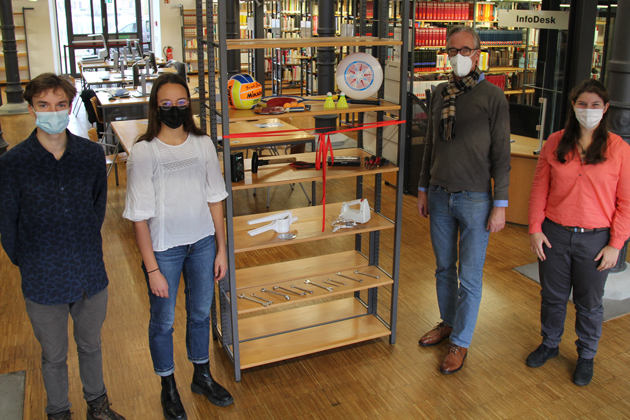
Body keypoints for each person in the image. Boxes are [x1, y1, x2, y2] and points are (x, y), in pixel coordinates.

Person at [0, 73, 125, 420]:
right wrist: (28, 260)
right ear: (31, 109)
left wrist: (80, 242)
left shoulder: (88, 155)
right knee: (53, 356)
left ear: (69, 107)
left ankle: (98, 407)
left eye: (59, 105)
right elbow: (6, 223)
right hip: (43, 278)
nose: (52, 112)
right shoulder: (13, 164)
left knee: (91, 346)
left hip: (88, 272)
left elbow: (96, 208)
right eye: (43, 105)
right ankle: (58, 413)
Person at [123, 73, 234, 420]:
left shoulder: (202, 144)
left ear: (190, 105)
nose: (175, 109)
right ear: (157, 107)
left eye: (182, 103)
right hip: (164, 251)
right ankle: (168, 386)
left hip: (202, 244)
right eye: (167, 104)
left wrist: (221, 249)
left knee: (201, 314)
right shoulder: (144, 153)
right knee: (164, 322)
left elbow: (216, 199)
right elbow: (139, 218)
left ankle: (201, 375)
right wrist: (152, 269)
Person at [416, 25, 511, 374]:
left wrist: (500, 205)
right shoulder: (441, 92)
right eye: (452, 50)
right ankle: (448, 322)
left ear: (477, 53)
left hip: (475, 199)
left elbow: (502, 155)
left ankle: (461, 342)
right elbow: (430, 144)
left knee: (469, 276)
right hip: (440, 196)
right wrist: (423, 188)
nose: (458, 57)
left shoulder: (493, 97)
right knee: (444, 269)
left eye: (465, 50)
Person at [527, 79, 630, 386]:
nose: (588, 110)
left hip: (596, 240)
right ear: (573, 106)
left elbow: (626, 202)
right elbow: (538, 190)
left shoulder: (619, 149)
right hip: (554, 234)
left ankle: (586, 355)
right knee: (553, 297)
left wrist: (616, 244)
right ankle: (550, 343)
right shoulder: (556, 141)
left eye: (595, 105)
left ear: (606, 108)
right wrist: (534, 228)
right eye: (582, 104)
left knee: (589, 302)